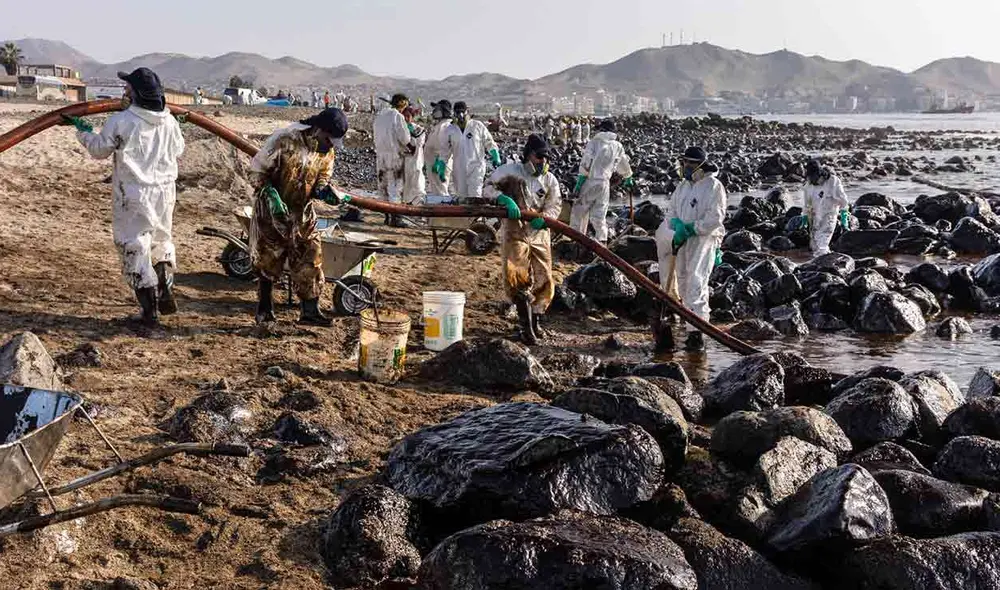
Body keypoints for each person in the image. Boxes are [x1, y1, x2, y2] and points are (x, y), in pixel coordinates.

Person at [64, 67, 185, 328]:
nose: (124, 91)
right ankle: (165, 277)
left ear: (137, 94)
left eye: (128, 88)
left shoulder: (122, 121)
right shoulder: (170, 121)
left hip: (134, 193)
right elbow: (179, 148)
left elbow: (99, 150)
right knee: (161, 239)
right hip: (165, 192)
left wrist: (82, 131)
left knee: (135, 246)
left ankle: (149, 314)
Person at [248, 108, 349, 327]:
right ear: (318, 129)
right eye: (328, 139)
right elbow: (256, 171)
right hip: (272, 212)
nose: (330, 145)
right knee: (268, 260)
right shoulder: (284, 139)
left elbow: (323, 175)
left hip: (302, 212)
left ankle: (309, 312)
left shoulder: (326, 151)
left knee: (310, 256)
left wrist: (323, 190)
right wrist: (271, 194)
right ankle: (264, 310)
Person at [483, 134, 562, 344]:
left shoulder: (549, 180)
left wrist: (545, 218)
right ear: (528, 155)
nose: (542, 162)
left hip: (539, 233)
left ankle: (536, 321)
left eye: (546, 158)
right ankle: (525, 327)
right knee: (517, 276)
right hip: (515, 232)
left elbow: (555, 205)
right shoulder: (510, 172)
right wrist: (503, 198)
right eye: (538, 157)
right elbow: (487, 188)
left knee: (545, 278)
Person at [653, 147, 727, 352]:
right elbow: (672, 211)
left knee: (697, 282)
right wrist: (676, 226)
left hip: (702, 240)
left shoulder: (713, 186)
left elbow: (715, 218)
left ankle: (698, 333)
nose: (685, 167)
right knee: (683, 280)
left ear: (700, 166)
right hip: (683, 240)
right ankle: (689, 326)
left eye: (689, 164)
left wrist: (692, 228)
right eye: (683, 163)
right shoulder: (683, 186)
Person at [571, 118, 633, 243]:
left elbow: (586, 162)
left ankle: (576, 241)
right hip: (605, 184)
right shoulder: (617, 146)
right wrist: (628, 177)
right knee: (599, 216)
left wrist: (579, 182)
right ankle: (602, 242)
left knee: (579, 211)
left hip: (590, 181)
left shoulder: (594, 142)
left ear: (602, 130)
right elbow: (623, 164)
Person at [435, 101, 501, 199]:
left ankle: (478, 215)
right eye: (457, 112)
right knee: (462, 198)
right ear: (454, 114)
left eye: (462, 112)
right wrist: (441, 167)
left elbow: (489, 142)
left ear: (467, 112)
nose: (460, 115)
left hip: (476, 167)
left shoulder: (477, 126)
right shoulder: (450, 130)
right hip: (459, 169)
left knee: (475, 196)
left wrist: (495, 155)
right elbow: (444, 151)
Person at [374, 93, 415, 225]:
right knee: (395, 186)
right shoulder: (396, 116)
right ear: (402, 103)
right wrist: (411, 147)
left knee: (383, 186)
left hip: (380, 156)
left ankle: (386, 217)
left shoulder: (380, 115)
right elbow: (404, 137)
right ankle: (396, 219)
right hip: (393, 156)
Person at [802, 159, 850, 257]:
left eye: (812, 176)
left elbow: (844, 202)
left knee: (822, 243)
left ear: (819, 173)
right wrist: (805, 218)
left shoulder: (832, 181)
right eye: (808, 176)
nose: (810, 179)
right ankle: (823, 261)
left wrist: (844, 219)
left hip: (829, 215)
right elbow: (807, 204)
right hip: (815, 217)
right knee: (814, 245)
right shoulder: (808, 186)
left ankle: (825, 264)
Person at [424, 100, 453, 196]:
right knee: (437, 190)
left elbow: (443, 147)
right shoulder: (440, 125)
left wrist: (437, 161)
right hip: (434, 164)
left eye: (437, 109)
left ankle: (443, 208)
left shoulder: (445, 126)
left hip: (439, 164)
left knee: (441, 191)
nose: (434, 111)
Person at [402, 106, 427, 205]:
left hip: (416, 161)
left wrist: (411, 133)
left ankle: (419, 206)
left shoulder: (419, 129)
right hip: (404, 162)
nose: (406, 119)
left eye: (408, 116)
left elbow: (419, 143)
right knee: (405, 185)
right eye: (404, 116)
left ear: (412, 117)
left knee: (418, 184)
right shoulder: (400, 129)